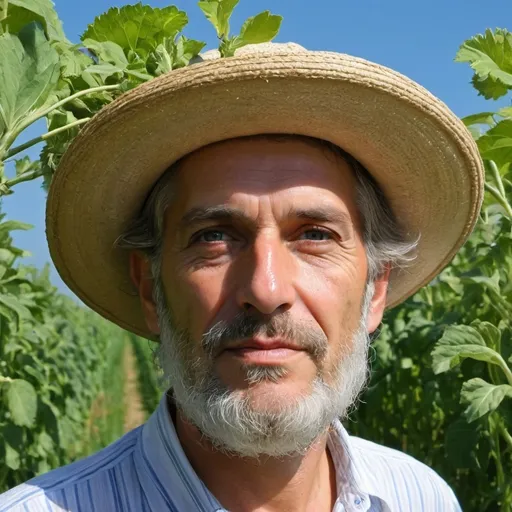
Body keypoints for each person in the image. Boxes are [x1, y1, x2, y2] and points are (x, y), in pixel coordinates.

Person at [0, 42, 483, 511]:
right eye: (214, 237)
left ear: (375, 289)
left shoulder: (420, 497)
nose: (265, 290)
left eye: (314, 234)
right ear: (151, 289)